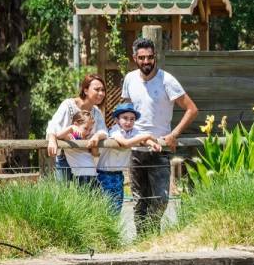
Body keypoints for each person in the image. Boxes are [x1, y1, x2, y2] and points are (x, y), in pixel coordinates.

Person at [121, 37, 198, 230]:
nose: (146, 62)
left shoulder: (167, 80)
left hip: (160, 148)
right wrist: (121, 134)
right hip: (137, 148)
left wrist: (174, 134)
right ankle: (143, 241)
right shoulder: (129, 79)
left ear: (155, 57)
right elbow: (124, 110)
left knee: (162, 198)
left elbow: (192, 109)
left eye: (149, 57)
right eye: (142, 58)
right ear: (134, 58)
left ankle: (152, 230)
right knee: (139, 201)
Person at [97, 102, 161, 214]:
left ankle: (112, 228)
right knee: (104, 206)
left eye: (132, 119)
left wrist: (152, 143)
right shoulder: (115, 131)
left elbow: (142, 139)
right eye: (125, 118)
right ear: (117, 120)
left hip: (118, 174)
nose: (129, 122)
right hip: (104, 174)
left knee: (116, 206)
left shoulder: (133, 131)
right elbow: (126, 143)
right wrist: (147, 135)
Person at [47, 74, 106, 184]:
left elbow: (104, 131)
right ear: (86, 90)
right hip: (64, 157)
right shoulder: (68, 105)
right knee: (63, 194)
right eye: (97, 89)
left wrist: (97, 136)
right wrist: (51, 139)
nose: (101, 93)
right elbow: (53, 125)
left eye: (103, 90)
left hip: (83, 159)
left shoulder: (96, 112)